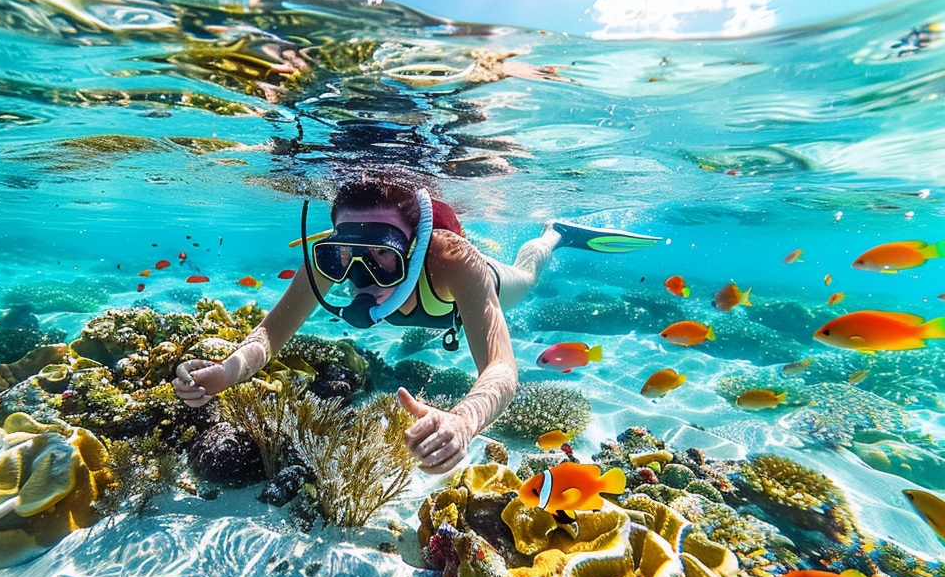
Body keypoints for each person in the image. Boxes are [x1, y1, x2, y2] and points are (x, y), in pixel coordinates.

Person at [173, 176, 657, 474]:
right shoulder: (333, 256)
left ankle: (556, 234)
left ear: (415, 245)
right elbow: (268, 335)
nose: (359, 277)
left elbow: (503, 370)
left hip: (475, 285)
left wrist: (464, 421)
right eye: (348, 254)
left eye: (383, 255)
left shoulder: (452, 260)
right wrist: (228, 372)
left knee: (527, 275)